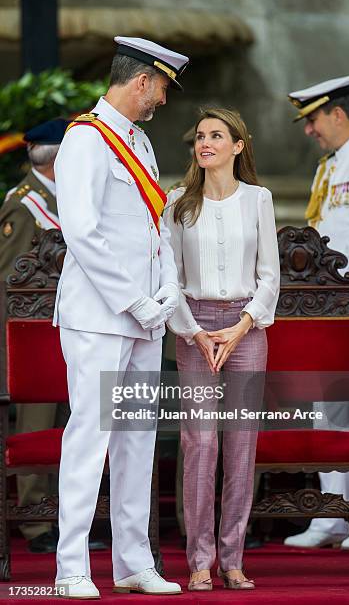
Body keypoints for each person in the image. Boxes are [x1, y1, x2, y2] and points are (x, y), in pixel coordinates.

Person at [53, 36, 189, 599]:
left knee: (137, 440)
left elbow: (155, 228)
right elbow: (81, 231)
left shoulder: (141, 141)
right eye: (160, 87)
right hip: (100, 315)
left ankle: (133, 561)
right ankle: (70, 568)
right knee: (91, 437)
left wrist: (168, 289)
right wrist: (134, 299)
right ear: (141, 81)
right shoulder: (86, 139)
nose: (161, 99)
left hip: (143, 317)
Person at [163, 107, 280, 591]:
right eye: (200, 136)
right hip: (194, 328)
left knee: (240, 444)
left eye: (217, 135)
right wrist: (192, 330)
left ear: (238, 146)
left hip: (247, 329)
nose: (205, 142)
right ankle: (198, 560)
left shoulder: (259, 199)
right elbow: (169, 279)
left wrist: (241, 326)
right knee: (200, 443)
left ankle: (232, 559)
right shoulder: (177, 203)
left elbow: (270, 276)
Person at [284, 76, 349, 550]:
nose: (309, 130)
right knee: (327, 408)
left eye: (313, 119)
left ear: (339, 114)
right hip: (329, 303)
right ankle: (332, 516)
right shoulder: (329, 166)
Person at [0, 119, 72, 554]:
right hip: (33, 340)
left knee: (65, 426)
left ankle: (62, 515)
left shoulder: (61, 199)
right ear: (59, 159)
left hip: (65, 333)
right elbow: (8, 282)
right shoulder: (23, 205)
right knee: (36, 426)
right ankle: (35, 523)